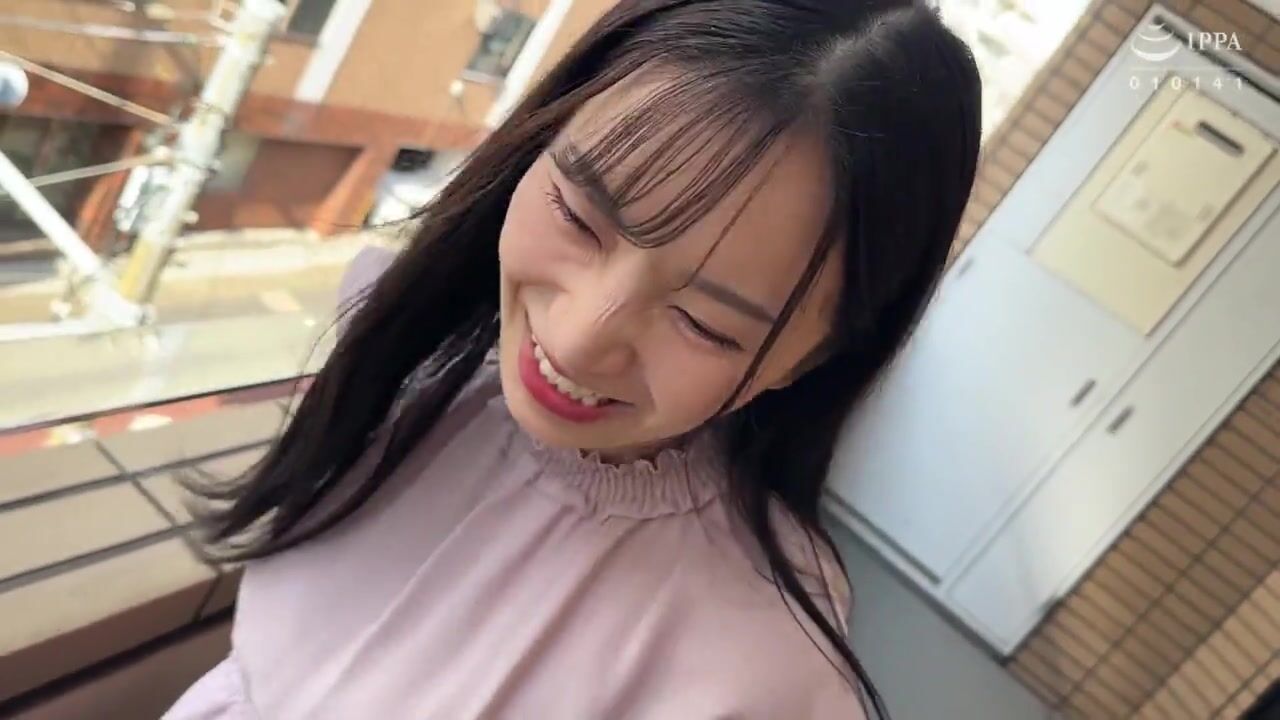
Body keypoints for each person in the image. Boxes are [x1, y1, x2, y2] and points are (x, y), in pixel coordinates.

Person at [166, 1, 980, 717]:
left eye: (704, 323)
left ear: (816, 358)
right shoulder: (414, 353)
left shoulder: (760, 672)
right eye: (579, 217)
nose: (581, 337)